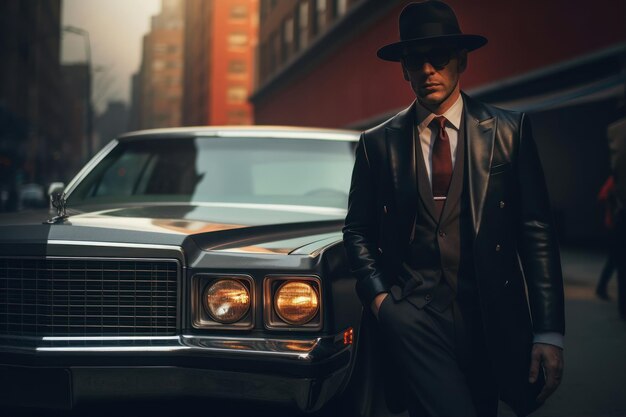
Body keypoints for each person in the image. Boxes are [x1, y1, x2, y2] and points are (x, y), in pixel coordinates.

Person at [342, 2, 565, 416]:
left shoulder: (508, 131)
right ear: (403, 69)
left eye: (439, 57)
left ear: (461, 60)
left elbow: (535, 232)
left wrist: (549, 331)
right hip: (412, 315)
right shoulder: (378, 143)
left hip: (489, 316)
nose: (427, 70)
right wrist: (380, 301)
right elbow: (357, 230)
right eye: (415, 60)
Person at [595, 175, 617, 300]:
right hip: (614, 224)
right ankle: (601, 287)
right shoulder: (615, 179)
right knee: (614, 259)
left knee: (614, 259)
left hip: (615, 223)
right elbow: (602, 197)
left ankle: (601, 287)